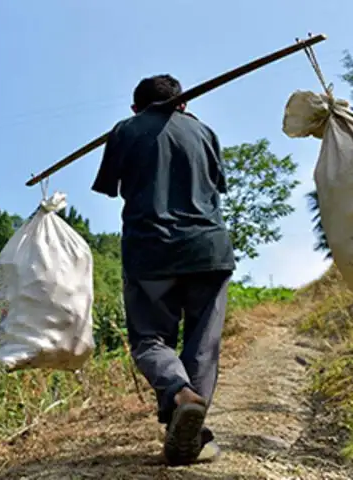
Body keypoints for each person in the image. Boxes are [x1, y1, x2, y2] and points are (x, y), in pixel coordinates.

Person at [91, 74, 235, 466]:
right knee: (203, 344)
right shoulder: (204, 132)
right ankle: (189, 433)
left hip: (150, 252)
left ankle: (177, 394)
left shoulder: (125, 131)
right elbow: (218, 184)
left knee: (150, 339)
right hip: (208, 249)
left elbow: (108, 185)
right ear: (184, 104)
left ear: (136, 108)